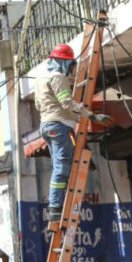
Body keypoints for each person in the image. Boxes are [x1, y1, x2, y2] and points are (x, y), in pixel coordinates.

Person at [37, 44, 112, 223]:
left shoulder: (40, 79)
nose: (72, 70)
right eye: (71, 66)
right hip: (59, 126)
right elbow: (66, 103)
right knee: (62, 167)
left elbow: (39, 106)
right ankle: (55, 208)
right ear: (64, 63)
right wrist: (92, 115)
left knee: (58, 166)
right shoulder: (57, 77)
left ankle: (56, 205)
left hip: (47, 125)